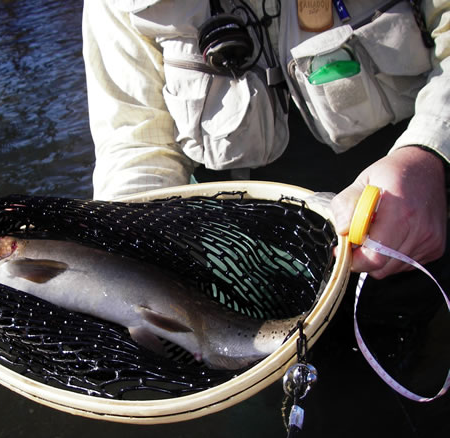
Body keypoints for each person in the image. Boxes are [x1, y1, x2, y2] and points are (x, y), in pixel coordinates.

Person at [81, 0, 449, 280]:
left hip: (418, 208)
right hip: (244, 261)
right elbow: (135, 147)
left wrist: (429, 149)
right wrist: (126, 260)